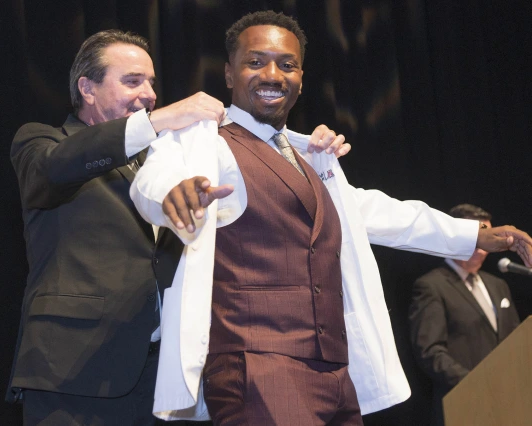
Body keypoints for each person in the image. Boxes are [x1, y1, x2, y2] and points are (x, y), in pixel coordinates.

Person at [130, 11, 532, 425]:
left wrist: (473, 235)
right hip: (255, 366)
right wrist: (170, 195)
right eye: (255, 62)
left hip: (336, 371)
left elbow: (383, 213)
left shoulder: (307, 158)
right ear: (229, 74)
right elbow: (153, 178)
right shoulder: (205, 144)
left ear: (301, 79)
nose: (272, 74)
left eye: (286, 65)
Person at [8, 28, 346, 426]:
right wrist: (157, 120)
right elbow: (54, 168)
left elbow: (249, 164)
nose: (149, 94)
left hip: (165, 377)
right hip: (73, 372)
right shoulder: (42, 142)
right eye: (132, 81)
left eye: (151, 82)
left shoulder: (170, 156)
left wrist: (304, 149)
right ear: (87, 88)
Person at [408, 204, 521, 426]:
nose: (482, 249)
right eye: (478, 239)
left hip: (509, 401)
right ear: (458, 236)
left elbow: (515, 339)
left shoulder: (498, 285)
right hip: (464, 402)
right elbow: (429, 352)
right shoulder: (431, 285)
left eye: (489, 239)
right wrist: (475, 383)